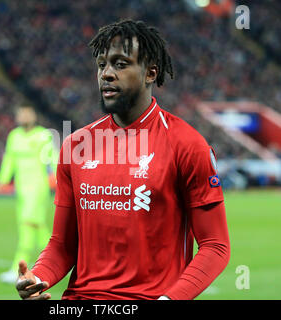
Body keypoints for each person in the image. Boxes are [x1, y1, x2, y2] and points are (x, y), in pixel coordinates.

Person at [16, 19, 230, 300]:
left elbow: (215, 246)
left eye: (120, 64)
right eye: (101, 64)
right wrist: (39, 277)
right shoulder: (76, 146)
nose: (106, 73)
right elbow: (63, 244)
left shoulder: (187, 145)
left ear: (150, 72)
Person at [0, 105, 58, 284]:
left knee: (26, 226)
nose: (24, 116)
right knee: (38, 228)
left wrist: (60, 177)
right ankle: (59, 262)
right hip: (21, 190)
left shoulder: (42, 134)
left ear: (34, 115)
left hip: (37, 187)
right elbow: (9, 159)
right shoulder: (14, 136)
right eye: (21, 113)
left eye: (27, 113)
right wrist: (2, 179)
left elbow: (52, 157)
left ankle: (19, 269)